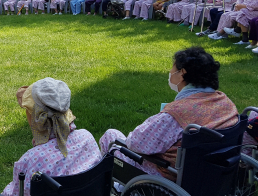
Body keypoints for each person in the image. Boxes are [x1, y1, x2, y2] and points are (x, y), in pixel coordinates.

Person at [99, 47, 238, 180]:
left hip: (172, 177)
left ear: (182, 73)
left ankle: (119, 189)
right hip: (212, 174)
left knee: (111, 137)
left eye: (173, 68)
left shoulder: (176, 113)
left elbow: (136, 143)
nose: (170, 71)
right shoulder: (225, 102)